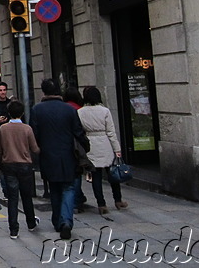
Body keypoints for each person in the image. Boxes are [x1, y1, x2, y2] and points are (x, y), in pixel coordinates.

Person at [30, 79, 89, 240]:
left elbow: (33, 136)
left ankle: (58, 221)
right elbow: (78, 132)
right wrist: (86, 147)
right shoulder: (69, 110)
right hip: (68, 155)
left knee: (55, 189)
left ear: (43, 92)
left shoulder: (37, 110)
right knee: (69, 188)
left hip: (48, 156)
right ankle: (66, 222)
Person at [78, 86, 128, 214]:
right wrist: (117, 149)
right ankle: (118, 200)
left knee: (96, 176)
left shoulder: (80, 112)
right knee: (113, 174)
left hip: (90, 144)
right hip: (105, 143)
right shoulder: (105, 111)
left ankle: (101, 204)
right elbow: (111, 132)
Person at [0, 100, 40, 239]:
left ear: (9, 113)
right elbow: (35, 148)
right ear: (22, 113)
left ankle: (13, 229)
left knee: (12, 198)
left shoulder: (3, 129)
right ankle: (31, 223)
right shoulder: (27, 129)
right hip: (25, 166)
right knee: (26, 196)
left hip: (8, 165)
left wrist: (0, 162)